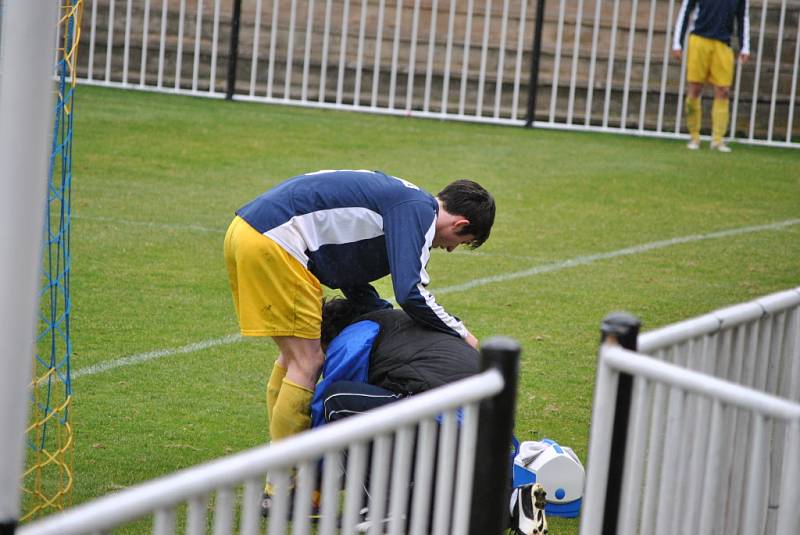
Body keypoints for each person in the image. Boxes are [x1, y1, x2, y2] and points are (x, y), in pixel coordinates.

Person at [223, 170, 495, 445]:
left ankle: (281, 466)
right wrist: (461, 333)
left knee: (291, 359)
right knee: (306, 362)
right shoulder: (418, 211)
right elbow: (411, 292)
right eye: (460, 243)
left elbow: (346, 272)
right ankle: (285, 480)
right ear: (460, 224)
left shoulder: (406, 200)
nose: (449, 249)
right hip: (275, 241)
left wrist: (382, 314)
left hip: (245, 230)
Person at [311, 296, 481, 427]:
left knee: (336, 398)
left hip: (448, 421)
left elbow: (322, 406)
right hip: (489, 424)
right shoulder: (399, 324)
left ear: (328, 338)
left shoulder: (351, 338)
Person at [672, 0, 750, 152]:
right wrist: (677, 42)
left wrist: (744, 46)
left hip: (723, 43)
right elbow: (686, 10)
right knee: (694, 88)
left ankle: (718, 140)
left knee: (723, 90)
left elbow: (743, 17)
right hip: (699, 40)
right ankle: (694, 136)